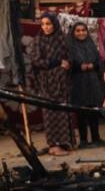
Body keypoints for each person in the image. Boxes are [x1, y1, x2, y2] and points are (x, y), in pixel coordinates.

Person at [28, 13, 74, 156]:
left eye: (49, 24)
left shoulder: (62, 39)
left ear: (54, 24)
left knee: (63, 111)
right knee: (50, 113)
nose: (46, 27)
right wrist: (57, 62)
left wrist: (68, 64)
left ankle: (64, 142)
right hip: (47, 83)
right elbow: (36, 61)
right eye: (43, 24)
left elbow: (69, 56)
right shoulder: (38, 41)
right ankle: (53, 145)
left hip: (62, 82)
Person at [67, 21, 104, 147]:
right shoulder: (70, 46)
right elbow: (68, 65)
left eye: (83, 30)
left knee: (94, 110)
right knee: (81, 112)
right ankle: (83, 140)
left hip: (92, 81)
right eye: (78, 30)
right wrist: (79, 67)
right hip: (78, 82)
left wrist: (94, 65)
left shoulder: (91, 44)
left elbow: (99, 61)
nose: (81, 33)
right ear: (73, 33)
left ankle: (96, 138)